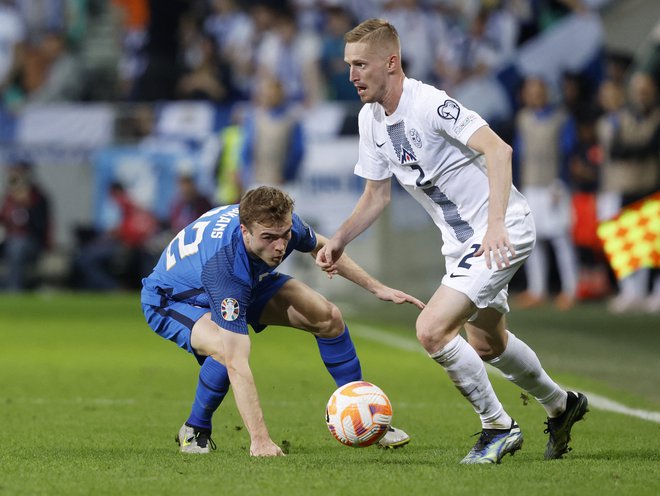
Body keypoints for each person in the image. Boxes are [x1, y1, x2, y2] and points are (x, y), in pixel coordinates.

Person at [316, 18, 588, 464]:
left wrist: (496, 224)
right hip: (461, 244)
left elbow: (498, 150)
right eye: (349, 66)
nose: (352, 76)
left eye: (361, 65)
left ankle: (498, 427)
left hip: (501, 229)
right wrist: (341, 239)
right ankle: (561, 405)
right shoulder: (370, 120)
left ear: (391, 62)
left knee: (431, 329)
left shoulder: (429, 104)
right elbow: (375, 195)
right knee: (487, 344)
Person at [140, 186, 424, 457]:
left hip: (247, 281)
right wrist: (260, 440)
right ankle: (195, 429)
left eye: (284, 235)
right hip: (174, 299)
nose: (279, 246)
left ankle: (364, 413)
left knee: (328, 317)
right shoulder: (225, 269)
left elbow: (322, 245)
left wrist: (377, 288)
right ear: (245, 231)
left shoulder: (278, 222)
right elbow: (239, 364)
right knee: (226, 351)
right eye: (268, 238)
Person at [0, 160, 51, 291]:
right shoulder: (8, 199)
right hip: (8, 241)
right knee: (14, 245)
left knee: (17, 247)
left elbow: (40, 226)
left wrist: (26, 206)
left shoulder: (38, 197)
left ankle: (14, 289)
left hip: (31, 243)